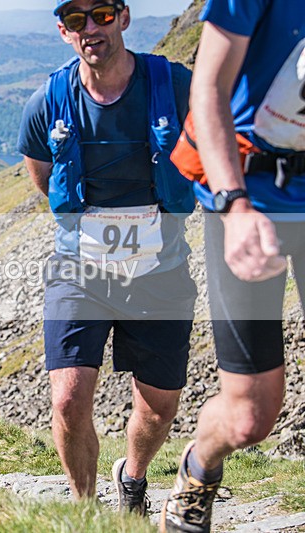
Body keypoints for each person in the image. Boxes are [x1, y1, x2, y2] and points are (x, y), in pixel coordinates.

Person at [16, 0, 197, 514]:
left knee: (160, 408)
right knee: (69, 401)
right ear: (64, 32)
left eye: (101, 15)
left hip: (160, 271)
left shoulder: (174, 84)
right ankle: (87, 513)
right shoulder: (47, 101)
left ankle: (132, 477)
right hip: (79, 270)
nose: (91, 28)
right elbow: (42, 176)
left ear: (123, 17)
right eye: (77, 21)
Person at [160, 1, 305, 531]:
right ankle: (199, 466)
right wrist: (234, 205)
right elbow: (209, 88)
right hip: (250, 194)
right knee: (250, 416)